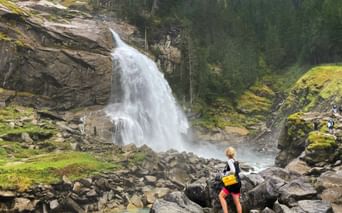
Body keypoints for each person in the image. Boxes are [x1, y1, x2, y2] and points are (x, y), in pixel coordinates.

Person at [218, 147, 242, 213]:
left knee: (221, 196)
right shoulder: (236, 161)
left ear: (227, 154)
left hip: (232, 182)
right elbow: (238, 171)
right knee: (237, 202)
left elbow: (233, 171)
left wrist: (225, 173)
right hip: (238, 182)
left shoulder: (229, 161)